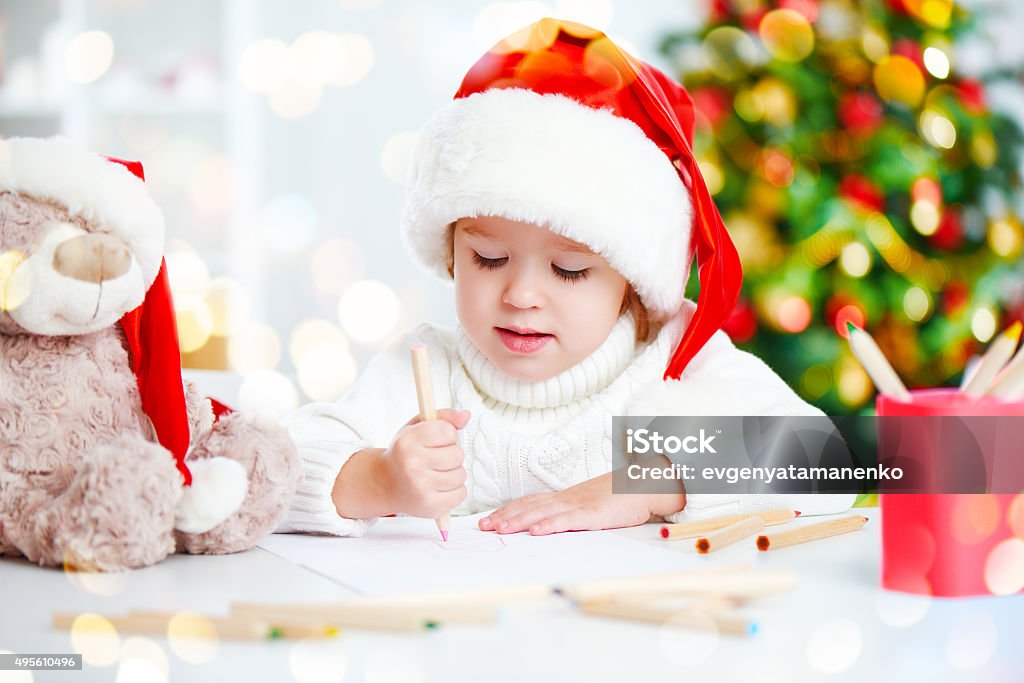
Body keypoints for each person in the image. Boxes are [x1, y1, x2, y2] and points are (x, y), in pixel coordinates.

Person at [278, 18, 854, 538]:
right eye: (489, 260)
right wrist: (376, 481)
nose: (522, 295)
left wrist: (647, 484)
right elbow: (275, 470)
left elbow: (831, 462)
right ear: (452, 253)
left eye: (569, 269)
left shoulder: (671, 354)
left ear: (629, 280)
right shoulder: (426, 369)